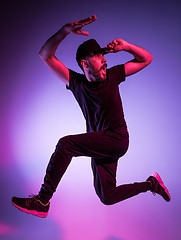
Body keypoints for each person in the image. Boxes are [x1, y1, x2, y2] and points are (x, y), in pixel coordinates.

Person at [12, 15, 170, 218]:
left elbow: (147, 58)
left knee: (65, 144)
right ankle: (151, 183)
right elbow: (45, 55)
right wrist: (64, 31)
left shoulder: (113, 75)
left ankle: (42, 200)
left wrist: (126, 46)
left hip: (117, 139)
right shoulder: (77, 83)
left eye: (104, 57)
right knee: (107, 196)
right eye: (98, 56)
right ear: (85, 63)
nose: (105, 60)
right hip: (100, 144)